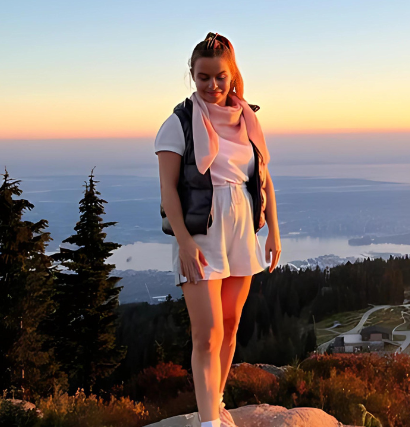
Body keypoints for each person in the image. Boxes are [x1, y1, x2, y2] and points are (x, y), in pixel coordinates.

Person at [154, 32, 282, 427]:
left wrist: (274, 232)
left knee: (229, 326)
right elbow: (168, 192)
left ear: (232, 75)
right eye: (203, 77)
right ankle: (209, 422)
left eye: (219, 77)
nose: (212, 86)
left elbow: (263, 179)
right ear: (191, 75)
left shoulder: (247, 119)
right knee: (206, 333)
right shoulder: (178, 124)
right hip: (201, 231)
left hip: (242, 227)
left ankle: (217, 403)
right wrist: (185, 242)